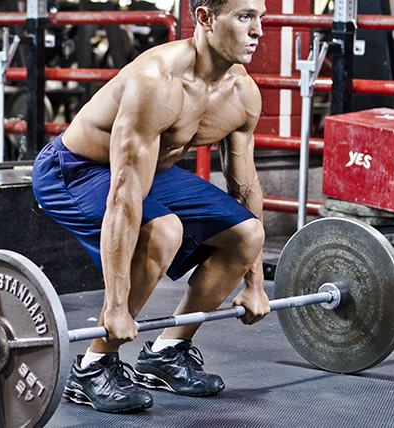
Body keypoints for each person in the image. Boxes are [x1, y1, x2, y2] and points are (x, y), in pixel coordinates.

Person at [32, 0, 270, 413]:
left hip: (149, 170)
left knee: (248, 234)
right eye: (245, 17)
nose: (258, 31)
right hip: (74, 169)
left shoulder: (242, 94)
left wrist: (255, 284)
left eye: (260, 18)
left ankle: (167, 354)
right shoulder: (157, 82)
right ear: (205, 18)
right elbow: (124, 196)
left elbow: (245, 187)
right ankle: (92, 366)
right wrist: (116, 306)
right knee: (164, 230)